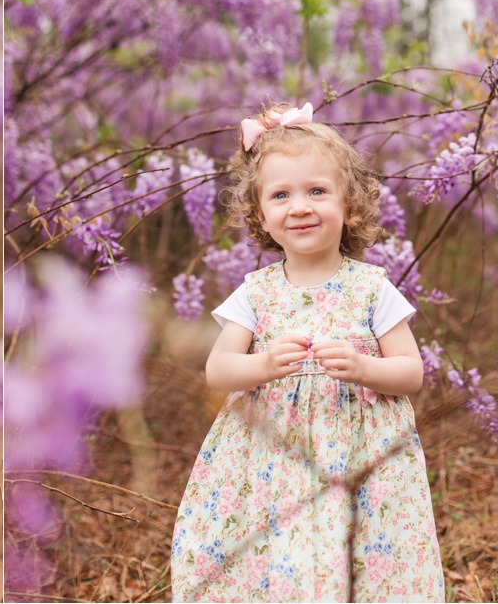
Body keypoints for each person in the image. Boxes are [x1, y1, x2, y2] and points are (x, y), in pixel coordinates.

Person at [170, 102, 444, 602]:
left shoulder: (372, 287)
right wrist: (262, 365)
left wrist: (364, 368)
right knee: (277, 559)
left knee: (363, 560)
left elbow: (411, 372)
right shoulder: (255, 292)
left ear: (350, 204)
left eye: (317, 191)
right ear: (260, 215)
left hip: (361, 457)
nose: (299, 207)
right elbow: (218, 370)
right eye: (281, 195)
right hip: (270, 460)